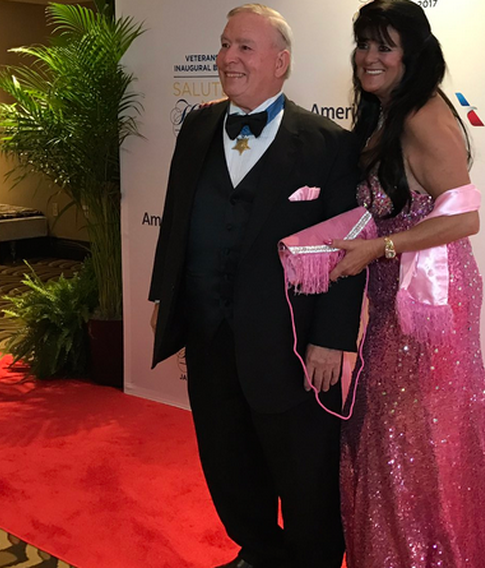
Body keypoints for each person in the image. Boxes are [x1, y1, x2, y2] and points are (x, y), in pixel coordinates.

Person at [148, 5, 364, 568]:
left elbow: (349, 247)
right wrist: (162, 298)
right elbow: (176, 216)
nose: (227, 59)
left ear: (281, 62)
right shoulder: (196, 126)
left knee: (304, 471)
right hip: (209, 332)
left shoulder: (328, 145)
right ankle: (259, 550)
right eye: (224, 45)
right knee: (227, 459)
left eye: (244, 47)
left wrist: (335, 338)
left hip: (292, 345)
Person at [329, 1, 485, 566]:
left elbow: (465, 218)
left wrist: (379, 247)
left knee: (415, 435)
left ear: (411, 55)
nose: (368, 58)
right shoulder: (387, 110)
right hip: (396, 292)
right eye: (363, 44)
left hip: (432, 297)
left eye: (383, 46)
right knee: (402, 431)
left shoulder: (421, 115)